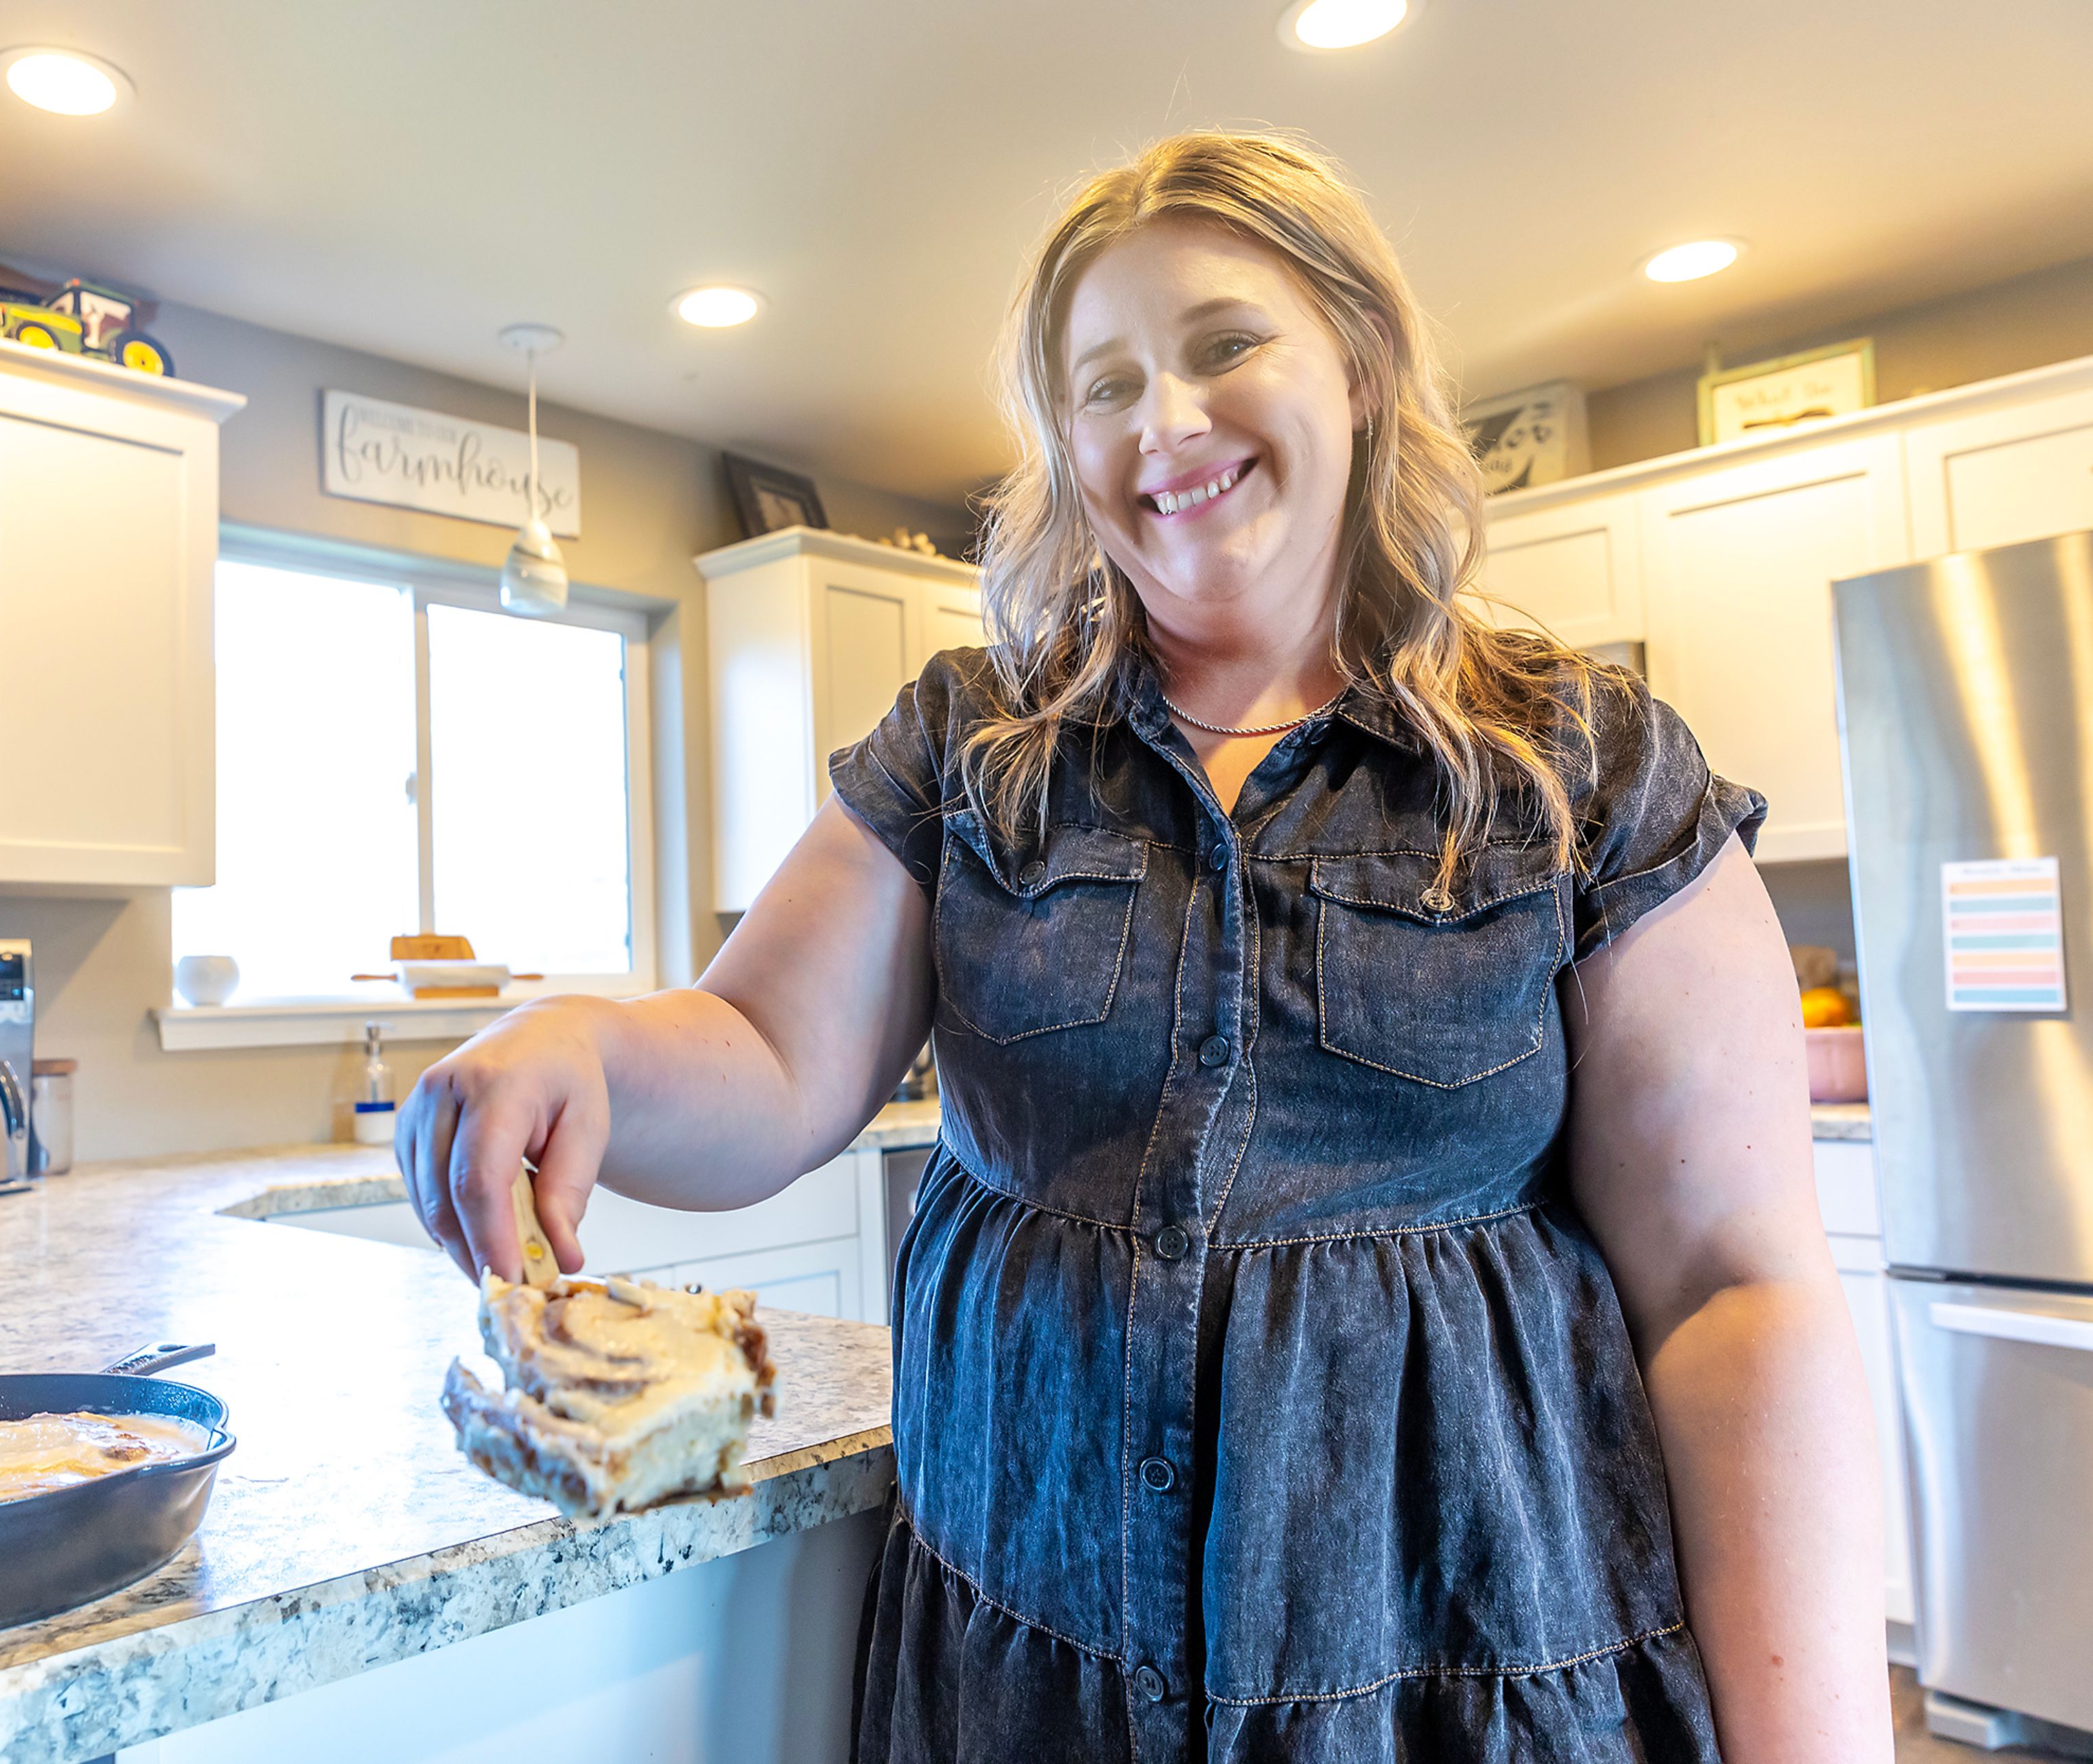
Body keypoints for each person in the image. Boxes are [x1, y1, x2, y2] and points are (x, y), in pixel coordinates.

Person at [401, 131, 1889, 1761]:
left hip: (1470, 1692)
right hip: (1028, 1689)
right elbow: (760, 1054)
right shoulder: (972, 751)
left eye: (1227, 345)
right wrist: (586, 1044)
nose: (1163, 424)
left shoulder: (1581, 765)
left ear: (1363, 363)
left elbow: (1734, 1297)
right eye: (1100, 386)